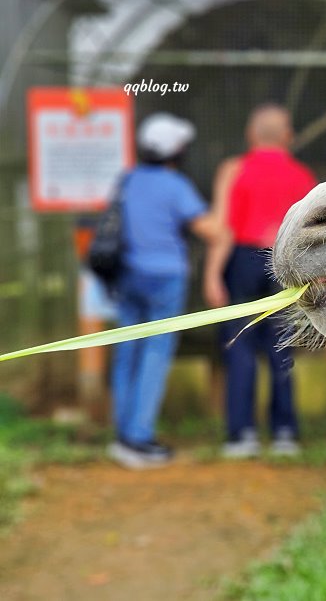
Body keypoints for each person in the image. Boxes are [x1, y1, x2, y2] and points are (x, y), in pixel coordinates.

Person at [108, 113, 222, 469]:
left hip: (127, 276)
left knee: (127, 350)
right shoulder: (175, 185)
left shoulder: (127, 179)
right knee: (155, 353)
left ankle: (123, 435)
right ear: (175, 151)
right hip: (165, 278)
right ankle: (140, 438)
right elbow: (210, 229)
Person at [204, 104, 317, 458]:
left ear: (251, 136)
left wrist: (212, 275)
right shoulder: (303, 177)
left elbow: (222, 228)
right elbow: (313, 231)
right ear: (288, 137)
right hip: (285, 261)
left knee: (240, 347)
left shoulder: (235, 171)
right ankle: (285, 432)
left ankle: (242, 435)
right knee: (281, 346)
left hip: (242, 259)